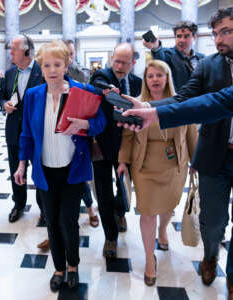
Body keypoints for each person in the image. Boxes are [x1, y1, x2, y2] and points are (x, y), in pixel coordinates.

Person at [121, 6, 233, 299]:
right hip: (216, 158)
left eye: (226, 32)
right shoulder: (208, 66)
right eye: (216, 32)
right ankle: (210, 256)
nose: (218, 39)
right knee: (212, 222)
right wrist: (149, 108)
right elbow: (186, 99)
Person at [14, 40, 106, 292]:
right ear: (41, 68)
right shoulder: (33, 95)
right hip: (45, 169)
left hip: (73, 168)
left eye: (57, 64)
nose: (52, 69)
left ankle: (73, 266)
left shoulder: (81, 91)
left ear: (66, 65)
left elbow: (101, 122)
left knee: (68, 220)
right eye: (47, 65)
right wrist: (22, 164)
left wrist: (85, 126)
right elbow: (26, 134)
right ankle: (58, 268)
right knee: (52, 222)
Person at [117, 60, 197, 286]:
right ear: (145, 80)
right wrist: (123, 160)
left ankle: (163, 229)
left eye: (159, 75)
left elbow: (191, 132)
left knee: (168, 206)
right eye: (150, 76)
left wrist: (195, 160)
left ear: (167, 78)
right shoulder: (139, 105)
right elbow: (128, 135)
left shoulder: (181, 103)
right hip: (144, 167)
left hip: (174, 165)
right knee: (147, 211)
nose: (154, 80)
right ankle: (149, 259)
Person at [89, 42, 142, 257]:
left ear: (133, 63)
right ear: (112, 60)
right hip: (102, 144)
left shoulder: (138, 83)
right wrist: (108, 89)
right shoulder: (102, 75)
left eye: (125, 62)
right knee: (103, 193)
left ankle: (120, 211)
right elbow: (98, 82)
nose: (119, 66)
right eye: (116, 61)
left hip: (127, 146)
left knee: (124, 187)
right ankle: (110, 237)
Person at [0, 35, 44, 223]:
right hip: (14, 130)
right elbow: (1, 96)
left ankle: (45, 208)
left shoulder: (42, 71)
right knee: (15, 169)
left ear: (27, 51)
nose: (11, 52)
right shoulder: (10, 73)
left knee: (40, 169)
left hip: (36, 131)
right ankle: (18, 204)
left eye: (14, 49)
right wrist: (4, 104)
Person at [143, 21, 205, 92]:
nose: (182, 40)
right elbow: (160, 57)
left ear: (194, 37)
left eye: (186, 36)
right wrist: (156, 47)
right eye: (179, 36)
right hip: (178, 101)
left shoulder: (202, 58)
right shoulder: (168, 54)